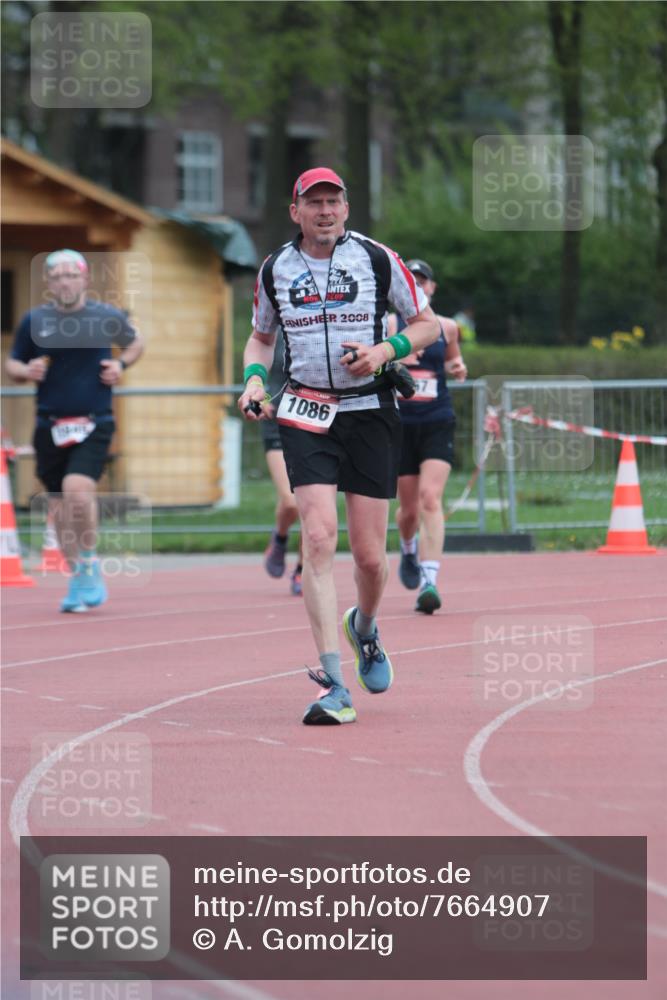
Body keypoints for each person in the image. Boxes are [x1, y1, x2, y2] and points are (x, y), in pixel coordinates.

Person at [238, 167, 439, 725]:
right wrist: (253, 381)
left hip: (369, 411)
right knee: (319, 536)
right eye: (314, 203)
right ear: (295, 211)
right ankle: (334, 683)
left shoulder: (377, 258)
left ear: (346, 208)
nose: (324, 211)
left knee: (371, 559)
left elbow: (427, 325)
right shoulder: (275, 268)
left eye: (333, 202)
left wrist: (384, 351)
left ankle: (365, 629)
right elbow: (260, 337)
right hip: (305, 413)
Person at [6, 249, 144, 613]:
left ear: (84, 279)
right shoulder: (35, 320)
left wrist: (120, 365)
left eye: (71, 275)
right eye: (57, 277)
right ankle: (79, 576)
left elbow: (135, 343)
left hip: (94, 421)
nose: (64, 282)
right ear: (49, 283)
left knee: (78, 491)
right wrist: (26, 370)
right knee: (58, 506)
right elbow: (12, 363)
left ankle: (89, 559)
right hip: (49, 424)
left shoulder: (105, 315)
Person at [388, 258, 467, 614]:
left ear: (432, 288)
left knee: (430, 498)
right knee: (408, 511)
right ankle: (408, 549)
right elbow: (372, 364)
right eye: (411, 280)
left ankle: (429, 581)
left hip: (437, 419)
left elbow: (451, 361)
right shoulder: (389, 324)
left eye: (423, 281)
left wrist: (457, 368)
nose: (418, 286)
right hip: (401, 424)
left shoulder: (447, 327)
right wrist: (395, 362)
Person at [261, 331, 304, 596]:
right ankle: (280, 536)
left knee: (313, 507)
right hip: (276, 420)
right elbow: (258, 370)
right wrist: (260, 397)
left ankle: (302, 570)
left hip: (315, 422)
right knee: (291, 501)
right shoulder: (273, 328)